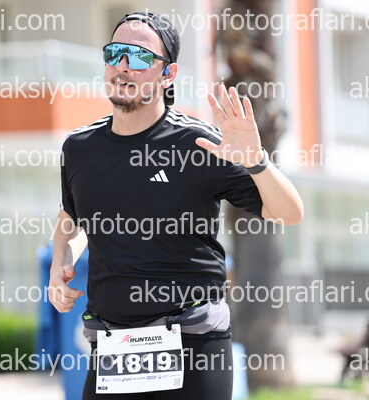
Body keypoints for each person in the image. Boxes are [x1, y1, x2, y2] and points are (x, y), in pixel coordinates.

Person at [48, 11, 303, 400]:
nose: (122, 66)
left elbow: (289, 212)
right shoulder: (80, 148)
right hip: (113, 348)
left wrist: (256, 161)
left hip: (193, 343)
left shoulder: (197, 144)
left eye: (138, 57)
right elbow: (73, 215)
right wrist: (59, 265)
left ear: (168, 75)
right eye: (114, 53)